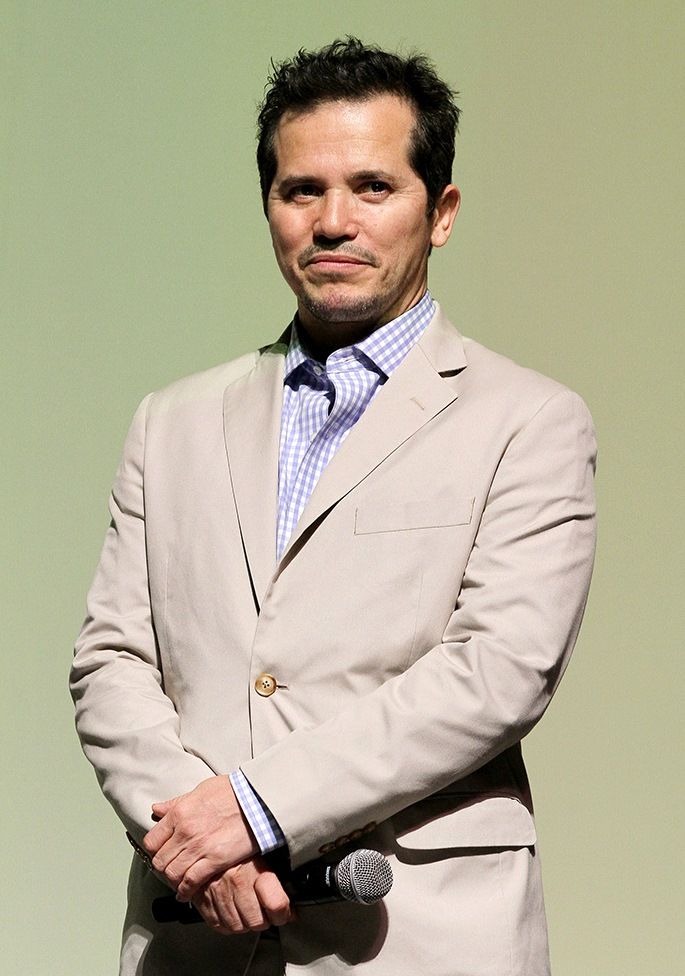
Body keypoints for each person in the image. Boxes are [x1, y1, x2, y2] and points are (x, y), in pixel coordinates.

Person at [71, 37, 596, 976]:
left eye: (373, 187)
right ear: (267, 207)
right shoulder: (171, 420)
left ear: (440, 213)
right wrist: (196, 835)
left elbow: (499, 670)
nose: (332, 221)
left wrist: (256, 810)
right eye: (300, 190)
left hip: (417, 936)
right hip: (197, 935)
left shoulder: (529, 420)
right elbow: (112, 659)